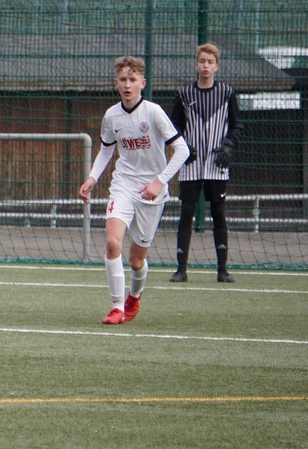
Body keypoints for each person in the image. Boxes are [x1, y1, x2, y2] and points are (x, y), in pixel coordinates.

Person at [78, 56, 190, 325]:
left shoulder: (153, 112)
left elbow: (182, 150)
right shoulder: (111, 115)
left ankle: (134, 296)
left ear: (142, 83)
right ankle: (117, 307)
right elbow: (107, 150)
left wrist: (158, 183)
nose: (127, 85)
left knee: (136, 261)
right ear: (116, 83)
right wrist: (92, 178)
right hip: (123, 185)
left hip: (152, 192)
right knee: (112, 242)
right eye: (122, 80)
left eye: (132, 79)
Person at [168, 43, 246, 283]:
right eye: (202, 61)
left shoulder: (227, 93)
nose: (205, 66)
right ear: (196, 64)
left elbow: (237, 124)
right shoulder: (184, 94)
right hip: (191, 164)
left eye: (210, 62)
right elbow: (173, 127)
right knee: (186, 213)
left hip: (216, 163)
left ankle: (222, 270)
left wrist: (228, 146)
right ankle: (181, 269)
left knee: (218, 213)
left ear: (216, 66)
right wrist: (183, 146)